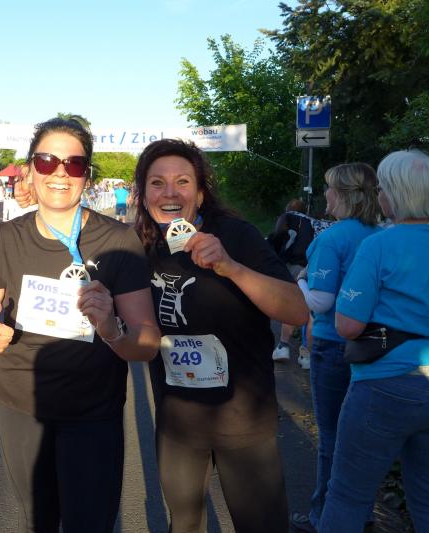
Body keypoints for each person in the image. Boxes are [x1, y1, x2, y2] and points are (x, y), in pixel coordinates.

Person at [0, 117, 161, 533]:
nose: (60, 173)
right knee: (38, 521)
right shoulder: (6, 238)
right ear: (31, 169)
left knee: (90, 523)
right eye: (47, 161)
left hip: (93, 410)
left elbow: (148, 343)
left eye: (74, 163)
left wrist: (112, 329)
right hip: (20, 406)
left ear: (88, 174)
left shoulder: (118, 241)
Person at [132, 139, 308, 533]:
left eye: (182, 181)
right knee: (184, 524)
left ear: (200, 192)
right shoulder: (141, 247)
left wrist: (231, 267)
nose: (170, 193)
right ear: (143, 195)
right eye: (157, 183)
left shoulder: (236, 235)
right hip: (179, 423)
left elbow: (297, 310)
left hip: (243, 418)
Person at [319, 150, 429, 531]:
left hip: (386, 386)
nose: (379, 194)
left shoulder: (378, 246)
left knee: (347, 496)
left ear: (394, 194)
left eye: (382, 188)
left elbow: (347, 326)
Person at [291, 163, 382, 532]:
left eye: (329, 188)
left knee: (331, 437)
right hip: (375, 345)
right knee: (363, 436)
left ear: (342, 194)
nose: (325, 194)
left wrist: (299, 282)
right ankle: (362, 513)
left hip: (333, 345)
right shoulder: (379, 233)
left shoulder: (332, 238)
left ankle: (322, 516)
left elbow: (320, 301)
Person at [269, 198, 332, 367]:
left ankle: (283, 346)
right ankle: (306, 355)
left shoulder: (288, 217)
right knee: (311, 312)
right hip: (313, 267)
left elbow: (278, 236)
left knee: (292, 304)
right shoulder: (313, 222)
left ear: (289, 209)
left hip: (295, 266)